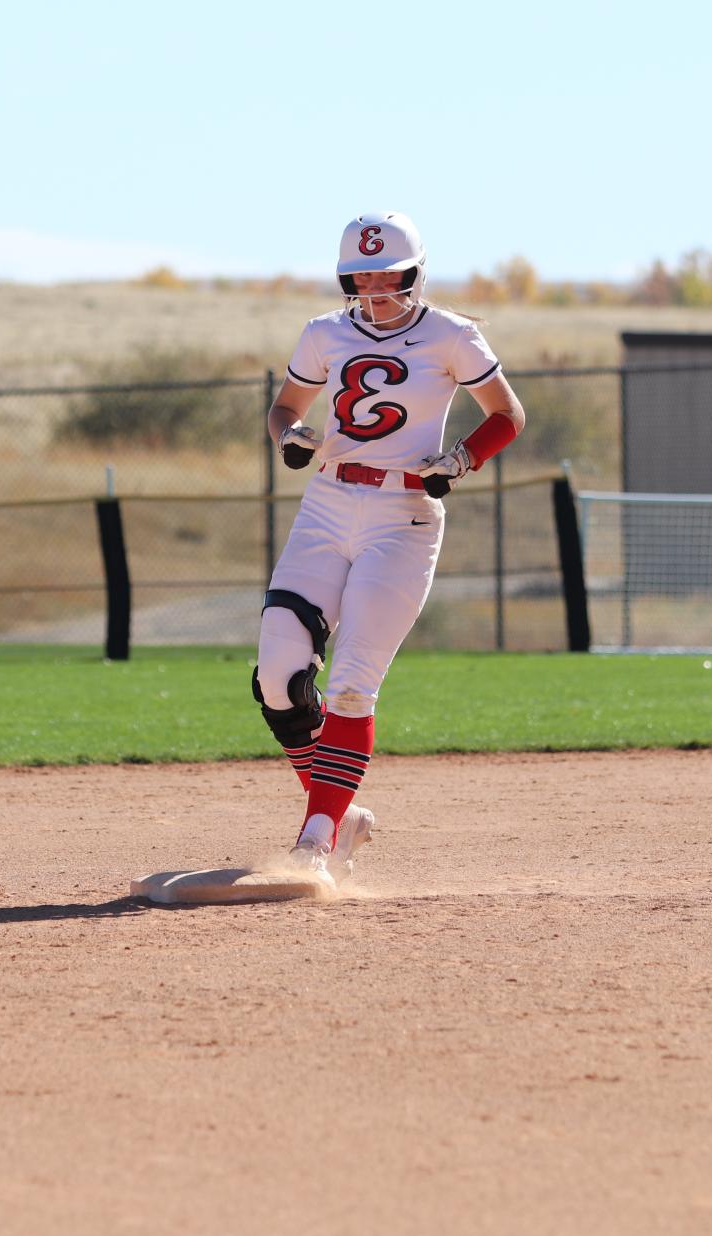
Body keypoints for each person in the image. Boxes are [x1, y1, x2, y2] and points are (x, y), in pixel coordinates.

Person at [255, 212, 526, 883]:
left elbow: (507, 415)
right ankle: (338, 812)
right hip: (326, 504)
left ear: (415, 273)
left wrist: (459, 460)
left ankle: (315, 844)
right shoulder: (324, 331)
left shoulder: (451, 335)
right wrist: (288, 435)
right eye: (361, 276)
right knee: (277, 677)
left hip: (402, 514)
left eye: (389, 275)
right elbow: (285, 407)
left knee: (349, 687)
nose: (375, 288)